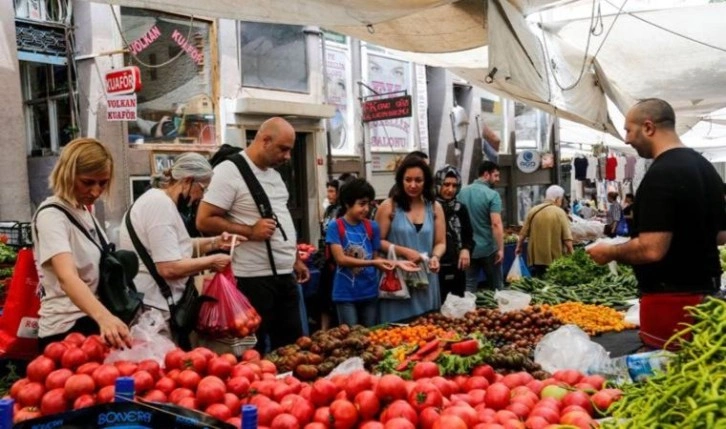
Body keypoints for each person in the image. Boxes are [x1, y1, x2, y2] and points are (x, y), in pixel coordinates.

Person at [587, 98, 726, 349]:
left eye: (629, 130)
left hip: (671, 303)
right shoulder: (706, 168)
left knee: (669, 377)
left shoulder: (661, 174)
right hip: (708, 298)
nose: (627, 139)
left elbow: (651, 248)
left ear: (649, 127)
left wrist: (610, 252)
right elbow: (721, 235)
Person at [196, 117, 310, 352]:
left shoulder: (274, 175)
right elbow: (204, 219)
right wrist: (250, 231)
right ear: (265, 141)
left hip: (284, 275)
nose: (288, 156)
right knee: (253, 352)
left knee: (293, 349)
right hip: (253, 278)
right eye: (283, 149)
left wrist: (294, 257)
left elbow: (281, 217)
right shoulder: (229, 171)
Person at [118, 153, 237, 345]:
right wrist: (213, 262)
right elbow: (168, 267)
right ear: (188, 181)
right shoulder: (159, 206)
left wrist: (215, 243)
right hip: (155, 310)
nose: (201, 197)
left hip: (157, 307)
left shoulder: (159, 202)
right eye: (202, 189)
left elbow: (174, 247)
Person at [32, 138, 131, 350]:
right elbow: (67, 277)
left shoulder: (84, 211)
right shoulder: (52, 215)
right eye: (88, 182)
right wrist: (104, 317)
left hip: (91, 324)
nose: (96, 191)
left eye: (102, 183)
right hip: (65, 332)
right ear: (67, 174)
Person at [375, 156, 446, 323]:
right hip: (397, 280)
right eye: (408, 180)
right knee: (396, 334)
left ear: (426, 182)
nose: (413, 185)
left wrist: (435, 257)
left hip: (426, 280)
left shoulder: (435, 208)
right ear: (400, 181)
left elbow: (440, 242)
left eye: (418, 180)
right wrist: (404, 251)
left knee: (426, 330)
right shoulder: (388, 207)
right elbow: (377, 241)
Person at [326, 179, 398, 326]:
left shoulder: (373, 227)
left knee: (370, 337)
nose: (366, 209)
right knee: (351, 339)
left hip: (369, 291)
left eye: (368, 204)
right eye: (361, 204)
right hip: (345, 293)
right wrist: (373, 262)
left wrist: (396, 264)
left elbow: (376, 258)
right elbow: (341, 259)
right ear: (347, 203)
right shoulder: (335, 226)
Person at [457, 161, 504, 292]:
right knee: (497, 289)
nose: (498, 179)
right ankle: (499, 311)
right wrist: (500, 249)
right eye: (496, 175)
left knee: (469, 287)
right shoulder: (492, 195)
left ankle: (468, 311)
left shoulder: (461, 193)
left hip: (468, 250)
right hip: (489, 249)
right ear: (486, 174)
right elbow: (496, 224)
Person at [515, 185, 574, 278]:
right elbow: (567, 239)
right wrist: (572, 254)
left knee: (538, 281)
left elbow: (523, 233)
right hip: (554, 259)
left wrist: (518, 247)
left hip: (535, 258)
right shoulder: (560, 213)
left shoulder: (533, 210)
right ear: (558, 199)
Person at [434, 165, 474, 299]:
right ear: (438, 184)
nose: (450, 189)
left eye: (454, 185)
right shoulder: (429, 208)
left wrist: (466, 249)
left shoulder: (460, 208)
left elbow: (468, 235)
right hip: (435, 267)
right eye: (446, 184)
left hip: (456, 266)